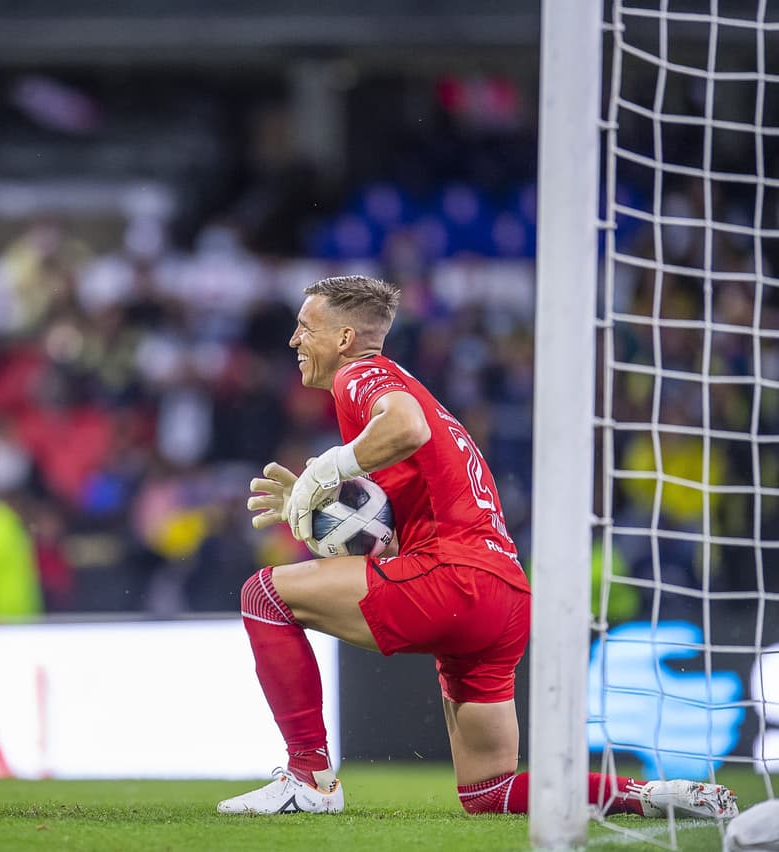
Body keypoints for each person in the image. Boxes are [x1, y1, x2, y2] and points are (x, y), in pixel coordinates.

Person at [217, 275, 739, 820]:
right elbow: (394, 523)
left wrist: (327, 467)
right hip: (504, 593)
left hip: (453, 575)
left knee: (264, 596)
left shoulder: (361, 375)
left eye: (305, 328)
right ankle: (653, 796)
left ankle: (310, 780)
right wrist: (315, 507)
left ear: (345, 338)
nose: (294, 341)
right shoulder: (408, 388)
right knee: (488, 795)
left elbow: (406, 427)